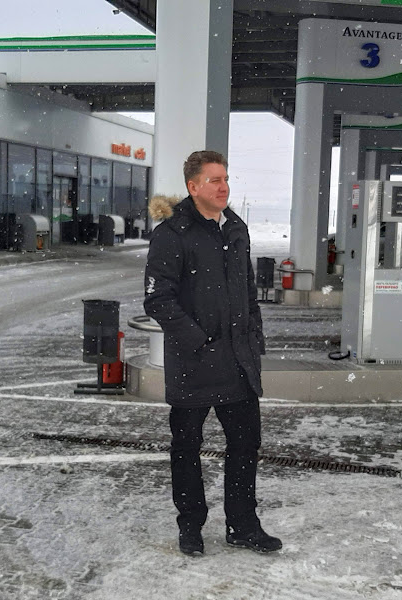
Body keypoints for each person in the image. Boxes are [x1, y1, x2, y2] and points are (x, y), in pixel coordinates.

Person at [144, 150, 282, 556]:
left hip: (238, 362)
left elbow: (248, 292)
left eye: (226, 179)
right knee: (187, 447)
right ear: (193, 186)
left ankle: (243, 525)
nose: (224, 187)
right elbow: (158, 299)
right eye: (214, 180)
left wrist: (253, 336)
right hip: (195, 363)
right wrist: (199, 341)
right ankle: (190, 526)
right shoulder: (172, 234)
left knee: (246, 444)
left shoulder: (236, 228)